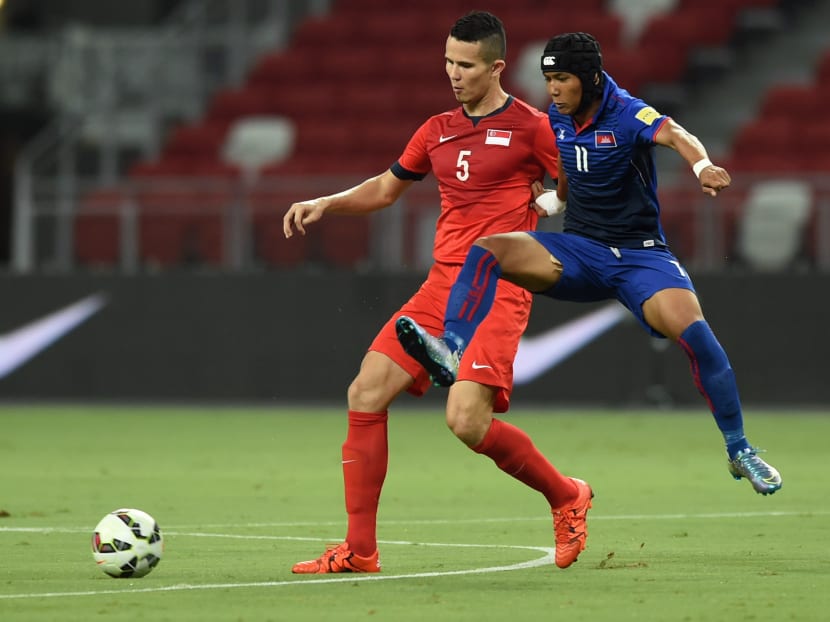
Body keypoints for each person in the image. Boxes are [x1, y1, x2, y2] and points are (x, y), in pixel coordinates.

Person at [397, 32, 782, 497]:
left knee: (697, 336)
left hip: (640, 257)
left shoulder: (626, 112)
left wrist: (702, 168)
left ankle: (740, 451)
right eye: (548, 78)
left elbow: (676, 134)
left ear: (591, 79)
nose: (553, 88)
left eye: (561, 78)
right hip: (580, 250)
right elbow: (566, 164)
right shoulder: (558, 116)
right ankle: (451, 348)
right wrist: (556, 201)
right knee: (488, 249)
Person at [283, 12, 593, 574]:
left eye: (466, 65)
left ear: (496, 66)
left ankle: (567, 495)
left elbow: (574, 182)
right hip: (440, 286)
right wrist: (326, 202)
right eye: (448, 61)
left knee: (465, 422)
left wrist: (549, 204)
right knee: (366, 392)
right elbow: (384, 189)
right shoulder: (436, 129)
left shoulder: (533, 126)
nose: (453, 73)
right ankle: (360, 552)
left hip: (499, 287)